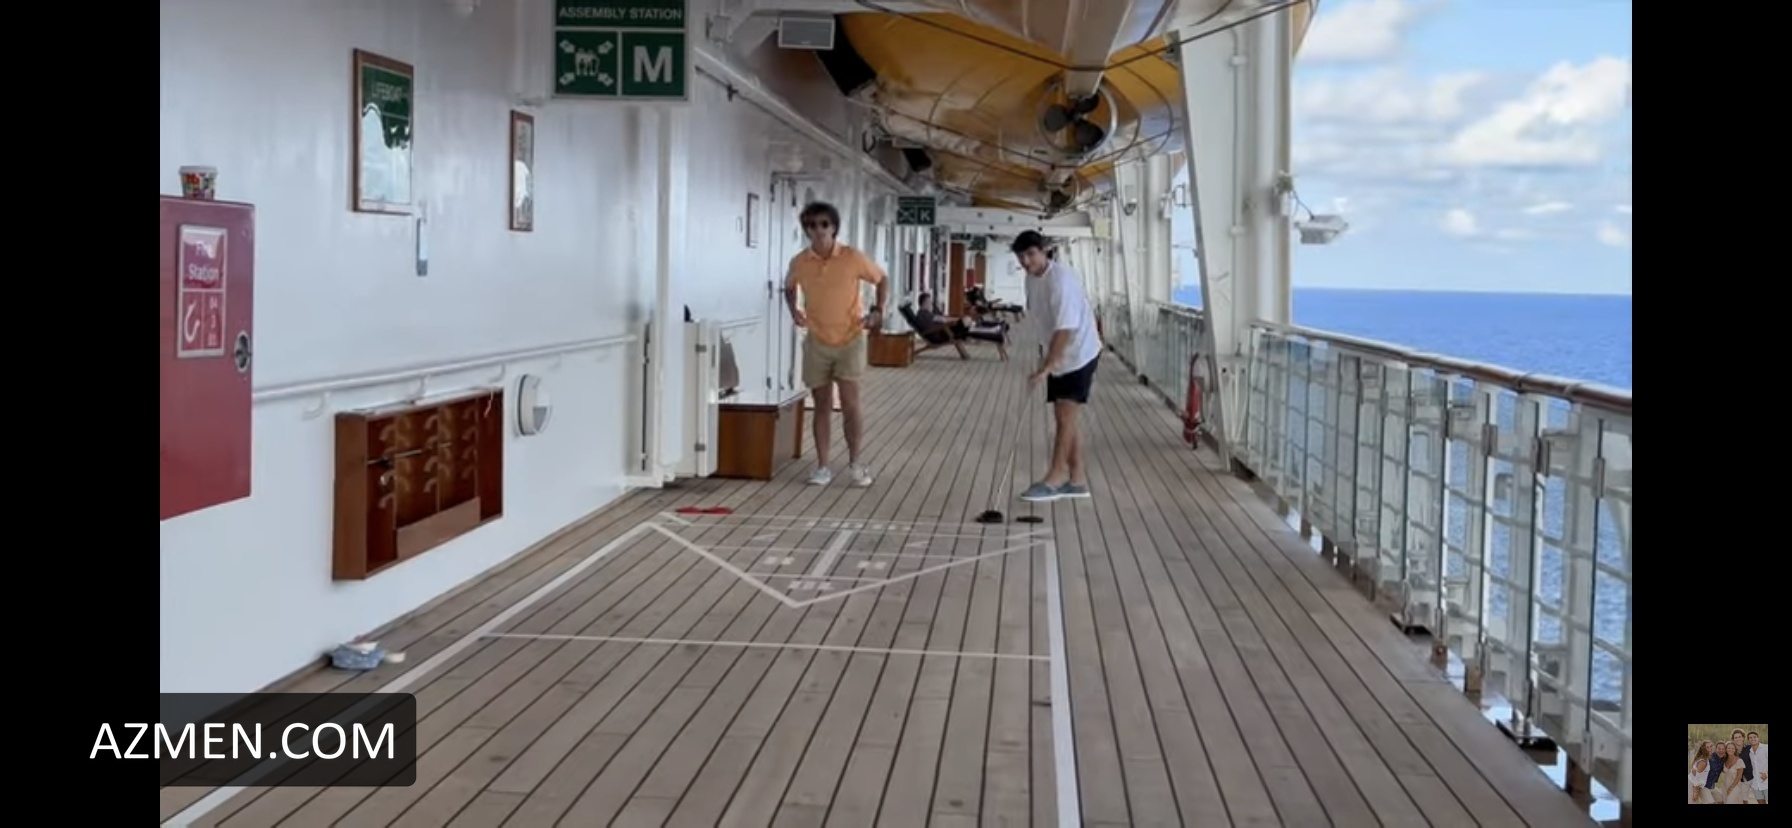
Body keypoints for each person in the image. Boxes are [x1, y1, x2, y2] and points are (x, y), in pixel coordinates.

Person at [784, 201, 887, 487]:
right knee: (821, 404)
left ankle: (855, 463)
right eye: (812, 225)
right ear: (806, 229)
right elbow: (788, 287)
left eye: (824, 224)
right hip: (817, 340)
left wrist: (878, 310)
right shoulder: (800, 262)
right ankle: (822, 467)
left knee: (851, 403)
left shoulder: (852, 257)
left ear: (834, 228)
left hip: (850, 338)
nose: (818, 230)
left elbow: (881, 279)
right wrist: (794, 310)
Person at [1011, 230, 1101, 502]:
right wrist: (1047, 361)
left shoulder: (1061, 281)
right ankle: (1077, 480)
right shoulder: (1031, 279)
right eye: (1021, 256)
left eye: (1031, 254)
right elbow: (1044, 322)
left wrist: (1047, 367)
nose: (1026, 261)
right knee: (1064, 417)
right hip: (1060, 355)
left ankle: (1055, 478)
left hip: (1080, 353)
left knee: (1065, 416)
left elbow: (1066, 329)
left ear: (1044, 251)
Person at [1747, 730, 1768, 803]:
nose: (1753, 739)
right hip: (1756, 784)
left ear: (1758, 738)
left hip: (1767, 782)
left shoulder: (1766, 748)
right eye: (1750, 738)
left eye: (1754, 737)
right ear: (1748, 740)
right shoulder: (1750, 752)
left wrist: (1767, 773)